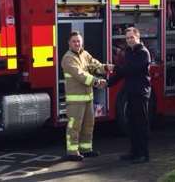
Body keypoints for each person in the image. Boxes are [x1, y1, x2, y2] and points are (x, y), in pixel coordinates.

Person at [61, 31, 108, 161]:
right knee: (74, 126)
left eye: (79, 41)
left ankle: (86, 149)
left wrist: (106, 68)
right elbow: (80, 75)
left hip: (88, 98)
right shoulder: (68, 58)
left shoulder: (84, 54)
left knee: (88, 124)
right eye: (74, 41)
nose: (77, 43)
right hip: (76, 99)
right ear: (69, 43)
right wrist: (97, 81)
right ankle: (72, 152)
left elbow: (95, 65)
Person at [107, 27, 151, 164]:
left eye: (132, 37)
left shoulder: (143, 53)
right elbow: (122, 73)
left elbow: (132, 70)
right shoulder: (129, 52)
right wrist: (108, 83)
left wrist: (114, 68)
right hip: (130, 92)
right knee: (131, 124)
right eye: (127, 38)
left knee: (141, 124)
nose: (130, 40)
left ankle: (143, 154)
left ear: (138, 37)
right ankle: (134, 152)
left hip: (140, 93)